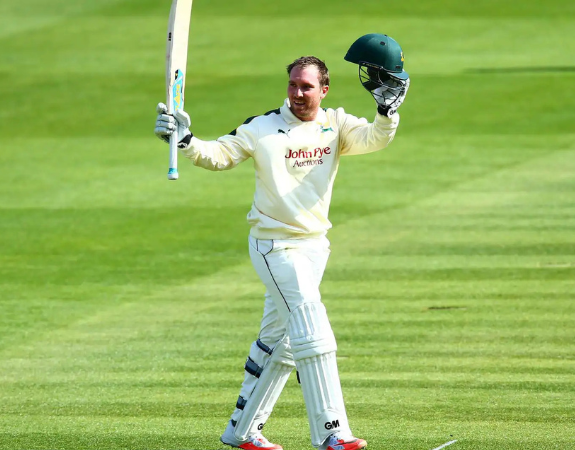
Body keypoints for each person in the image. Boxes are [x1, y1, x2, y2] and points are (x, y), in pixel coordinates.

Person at [154, 33, 410, 450]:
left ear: (324, 90)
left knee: (282, 342)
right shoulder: (262, 128)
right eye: (292, 85)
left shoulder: (336, 124)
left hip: (315, 247)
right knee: (313, 327)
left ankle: (242, 430)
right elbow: (219, 155)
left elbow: (376, 138)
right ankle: (333, 433)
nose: (297, 93)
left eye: (306, 86)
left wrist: (387, 111)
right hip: (274, 246)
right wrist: (185, 141)